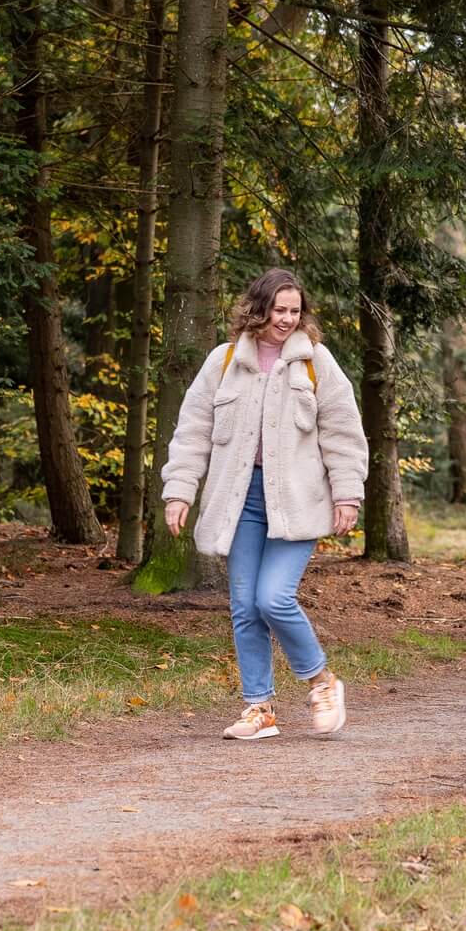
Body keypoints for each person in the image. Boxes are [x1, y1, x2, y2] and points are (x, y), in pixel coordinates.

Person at [160, 269, 368, 740]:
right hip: (241, 502)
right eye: (279, 310)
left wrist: (348, 493)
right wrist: (179, 491)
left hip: (298, 501)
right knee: (244, 607)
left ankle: (322, 682)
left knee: (273, 597)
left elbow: (343, 433)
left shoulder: (316, 363)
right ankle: (259, 709)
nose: (287, 320)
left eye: (295, 312)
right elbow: (193, 431)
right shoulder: (224, 360)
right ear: (259, 309)